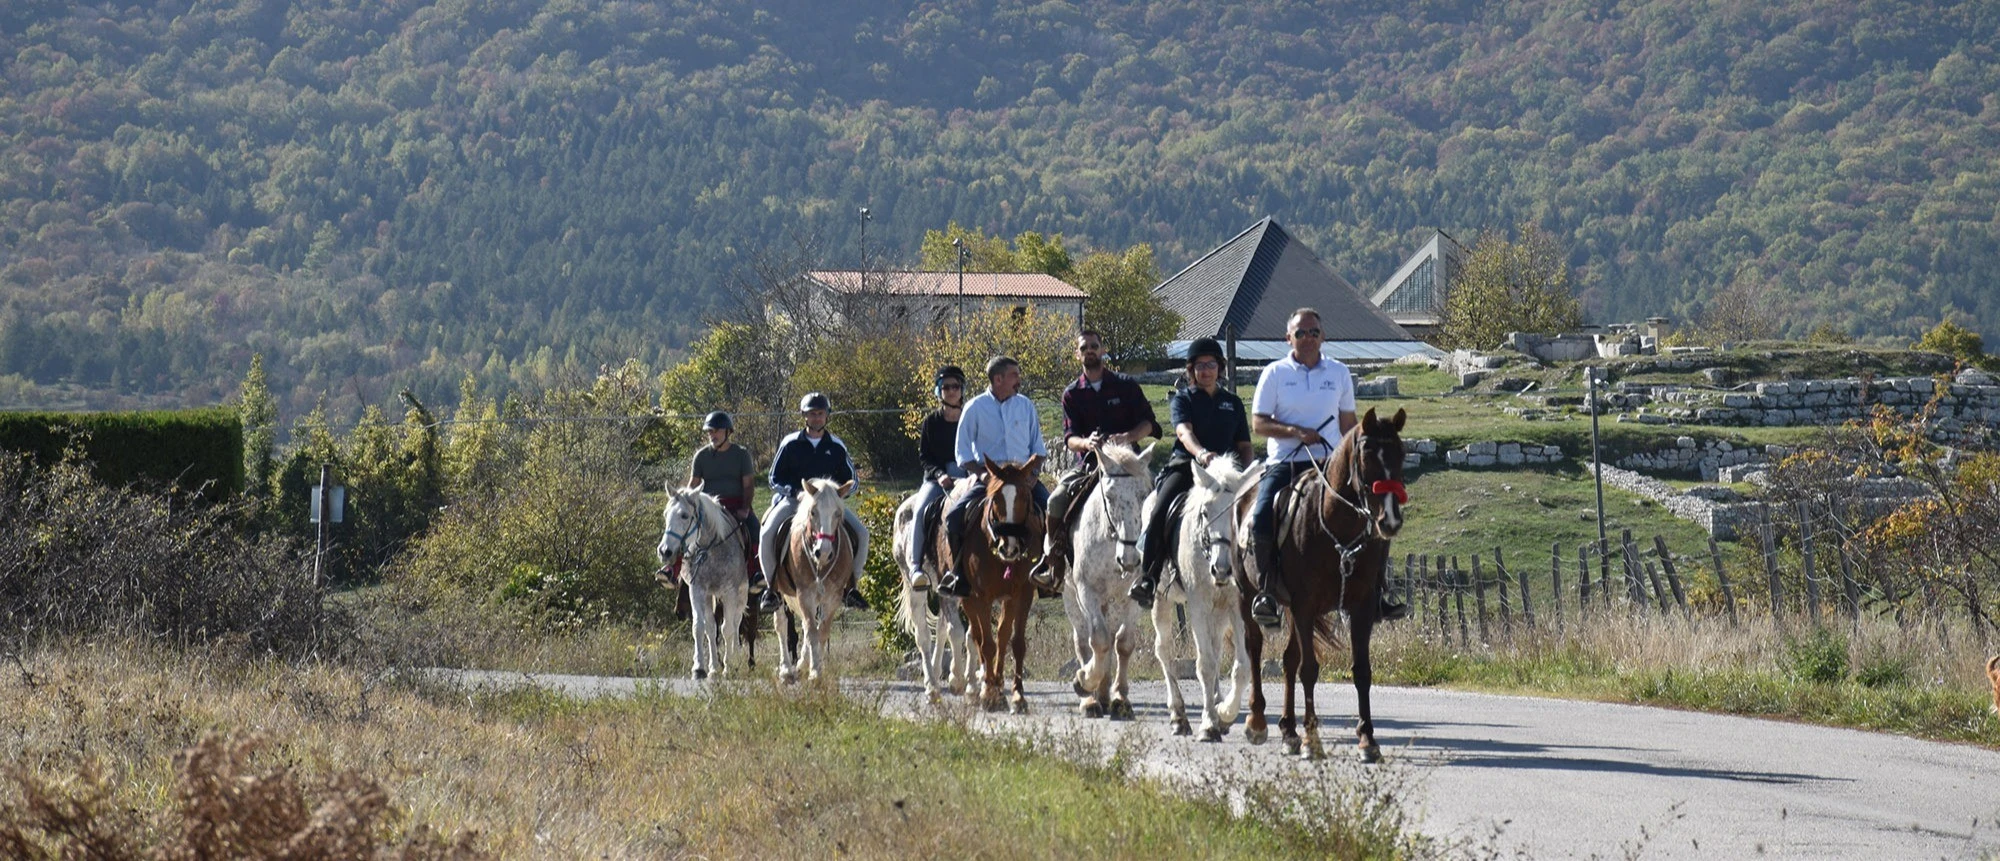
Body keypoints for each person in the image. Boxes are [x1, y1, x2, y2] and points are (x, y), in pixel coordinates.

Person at [1246, 308, 1407, 628]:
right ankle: (1266, 590)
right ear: (1288, 337)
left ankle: (1376, 591)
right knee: (1261, 513)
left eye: (1314, 332)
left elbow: (1349, 425)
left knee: (1375, 512)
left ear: (1323, 337)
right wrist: (1296, 432)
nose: (1308, 338)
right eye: (1301, 333)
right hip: (1286, 461)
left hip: (1331, 463)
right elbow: (1258, 423)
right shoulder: (1274, 373)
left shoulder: (1338, 373)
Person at [1026, 330, 1160, 595]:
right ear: (1078, 354)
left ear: (1102, 350)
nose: (1090, 350)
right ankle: (1053, 562)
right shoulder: (1072, 394)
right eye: (1084, 347)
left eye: (1094, 346)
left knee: (1160, 500)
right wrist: (1088, 443)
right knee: (1055, 501)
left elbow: (1150, 425)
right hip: (1089, 465)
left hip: (1129, 466)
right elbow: (1069, 438)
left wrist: (1127, 437)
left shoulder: (1126, 385)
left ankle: (1160, 564)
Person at [1127, 338, 1254, 609]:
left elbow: (1244, 445)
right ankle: (1149, 578)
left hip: (1227, 474)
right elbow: (1184, 432)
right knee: (1160, 510)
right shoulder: (1183, 399)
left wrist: (1247, 477)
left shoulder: (1233, 403)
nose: (1205, 371)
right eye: (1199, 366)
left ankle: (1262, 582)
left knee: (1260, 514)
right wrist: (1201, 454)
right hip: (1188, 466)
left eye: (1210, 365)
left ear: (1220, 368)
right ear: (1191, 370)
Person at [935, 356, 1050, 598]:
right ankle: (958, 575)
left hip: (1023, 479)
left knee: (1052, 513)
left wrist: (1034, 475)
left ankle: (1048, 572)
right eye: (1014, 375)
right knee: (955, 517)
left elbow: (1038, 450)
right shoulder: (975, 408)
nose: (1019, 380)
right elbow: (962, 454)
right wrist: (983, 475)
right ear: (998, 379)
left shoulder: (1026, 406)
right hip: (988, 480)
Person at [758, 392, 870, 614]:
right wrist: (795, 491)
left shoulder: (836, 446)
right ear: (804, 416)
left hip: (828, 506)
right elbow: (773, 478)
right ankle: (770, 588)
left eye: (820, 413)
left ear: (827, 416)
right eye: (812, 414)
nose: (816, 418)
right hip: (794, 501)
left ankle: (852, 588)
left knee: (863, 534)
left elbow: (853, 480)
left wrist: (838, 495)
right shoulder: (790, 443)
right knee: (767, 532)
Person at [663, 411, 762, 591]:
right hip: (707, 508)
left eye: (716, 431)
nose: (712, 435)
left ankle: (756, 573)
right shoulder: (701, 456)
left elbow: (748, 485)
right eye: (709, 431)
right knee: (681, 526)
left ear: (728, 432)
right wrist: (681, 499)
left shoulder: (741, 455)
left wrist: (745, 509)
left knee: (756, 528)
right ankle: (672, 570)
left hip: (735, 505)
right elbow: (693, 485)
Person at [903, 365, 968, 590]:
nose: (951, 391)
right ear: (938, 391)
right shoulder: (931, 422)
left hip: (967, 475)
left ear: (962, 389)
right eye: (946, 386)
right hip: (936, 479)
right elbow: (925, 457)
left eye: (956, 386)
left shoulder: (970, 418)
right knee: (920, 510)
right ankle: (916, 567)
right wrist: (940, 475)